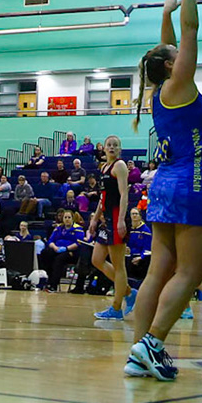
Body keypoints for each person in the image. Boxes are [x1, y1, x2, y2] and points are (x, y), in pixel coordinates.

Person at [125, 0, 202, 380]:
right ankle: (153, 344)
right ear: (170, 66)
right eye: (176, 57)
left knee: (157, 272)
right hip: (192, 181)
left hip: (164, 183)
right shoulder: (179, 84)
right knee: (191, 271)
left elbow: (164, 50)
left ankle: (138, 352)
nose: (182, 56)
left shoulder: (159, 92)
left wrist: (163, 14)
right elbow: (191, 34)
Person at [87, 135, 133, 320]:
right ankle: (129, 292)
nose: (112, 147)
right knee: (97, 259)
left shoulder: (120, 166)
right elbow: (102, 198)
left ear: (119, 149)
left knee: (119, 266)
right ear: (103, 149)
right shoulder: (103, 167)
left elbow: (124, 195)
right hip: (105, 220)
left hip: (116, 218)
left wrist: (121, 220)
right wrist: (94, 219)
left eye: (115, 145)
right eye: (109, 145)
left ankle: (116, 308)